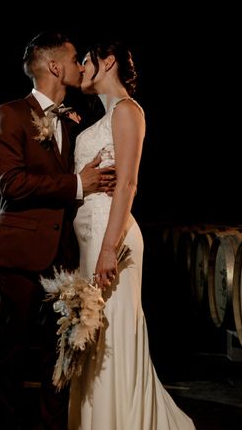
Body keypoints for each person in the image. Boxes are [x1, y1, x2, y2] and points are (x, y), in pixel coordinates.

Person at [0, 31, 116, 430]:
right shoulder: (8, 114)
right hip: (22, 255)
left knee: (57, 352)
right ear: (55, 66)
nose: (81, 66)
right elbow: (13, 184)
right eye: (76, 58)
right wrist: (79, 184)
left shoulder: (73, 122)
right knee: (13, 354)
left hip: (62, 257)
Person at [68, 42, 195, 429]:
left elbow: (127, 185)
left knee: (112, 335)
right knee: (93, 334)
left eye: (86, 60)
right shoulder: (99, 116)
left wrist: (109, 249)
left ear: (107, 62)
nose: (82, 68)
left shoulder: (127, 111)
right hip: (90, 240)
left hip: (113, 240)